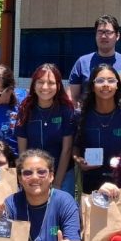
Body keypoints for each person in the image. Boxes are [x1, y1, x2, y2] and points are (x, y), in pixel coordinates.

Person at [16, 63, 77, 197]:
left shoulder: (66, 110)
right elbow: (22, 151)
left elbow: (66, 149)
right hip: (33, 174)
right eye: (40, 82)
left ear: (58, 86)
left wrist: (57, 183)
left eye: (51, 83)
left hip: (62, 173)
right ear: (34, 85)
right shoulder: (25, 109)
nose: (45, 87)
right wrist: (25, 177)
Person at [73, 64, 121, 194]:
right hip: (91, 181)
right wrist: (79, 160)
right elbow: (75, 146)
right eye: (100, 81)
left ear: (117, 85)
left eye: (111, 80)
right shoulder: (81, 115)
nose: (106, 84)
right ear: (92, 87)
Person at [67, 15, 121, 103]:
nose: (103, 36)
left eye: (108, 32)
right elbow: (72, 96)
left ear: (117, 36)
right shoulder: (82, 62)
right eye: (100, 32)